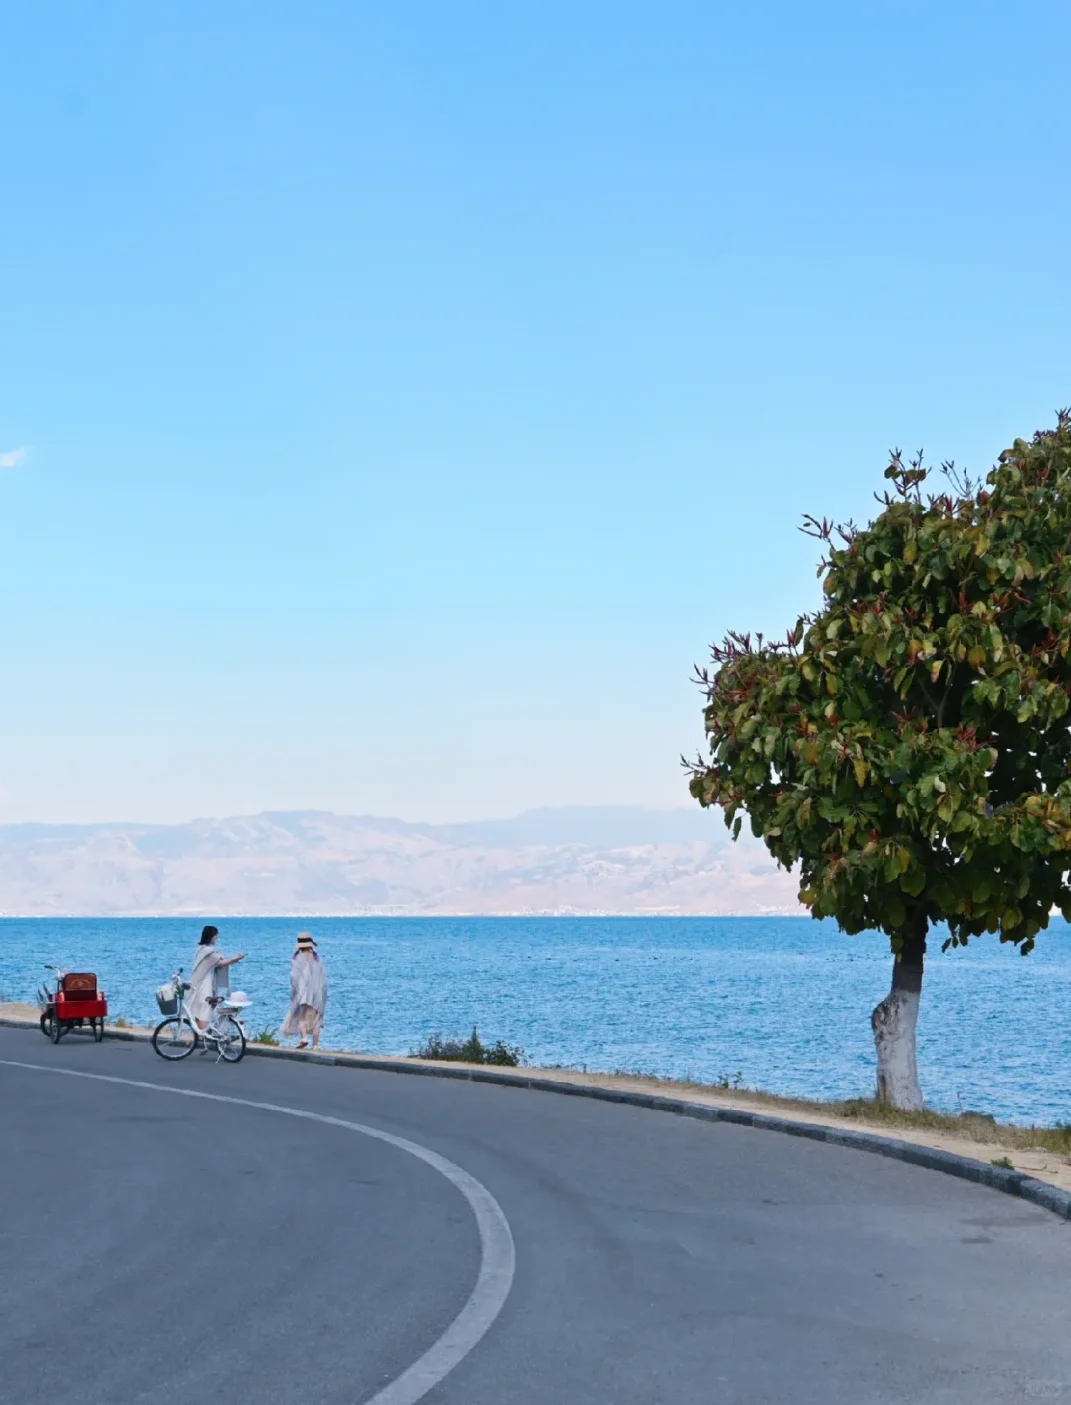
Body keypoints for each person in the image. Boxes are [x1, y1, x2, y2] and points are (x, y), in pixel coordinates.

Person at [187, 925, 246, 1032]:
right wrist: (234, 958)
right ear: (210, 936)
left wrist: (233, 960)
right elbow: (221, 963)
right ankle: (203, 1034)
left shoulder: (201, 949)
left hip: (199, 984)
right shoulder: (208, 952)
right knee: (204, 1010)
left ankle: (201, 1035)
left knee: (199, 1010)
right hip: (204, 985)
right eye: (215, 936)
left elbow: (219, 962)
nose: (216, 938)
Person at [282, 932, 328, 1050]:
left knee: (301, 1017)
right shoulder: (317, 959)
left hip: (303, 993)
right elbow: (323, 978)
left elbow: (294, 977)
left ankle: (304, 1038)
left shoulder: (297, 958)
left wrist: (295, 992)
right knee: (316, 1020)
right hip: (317, 993)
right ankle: (316, 1045)